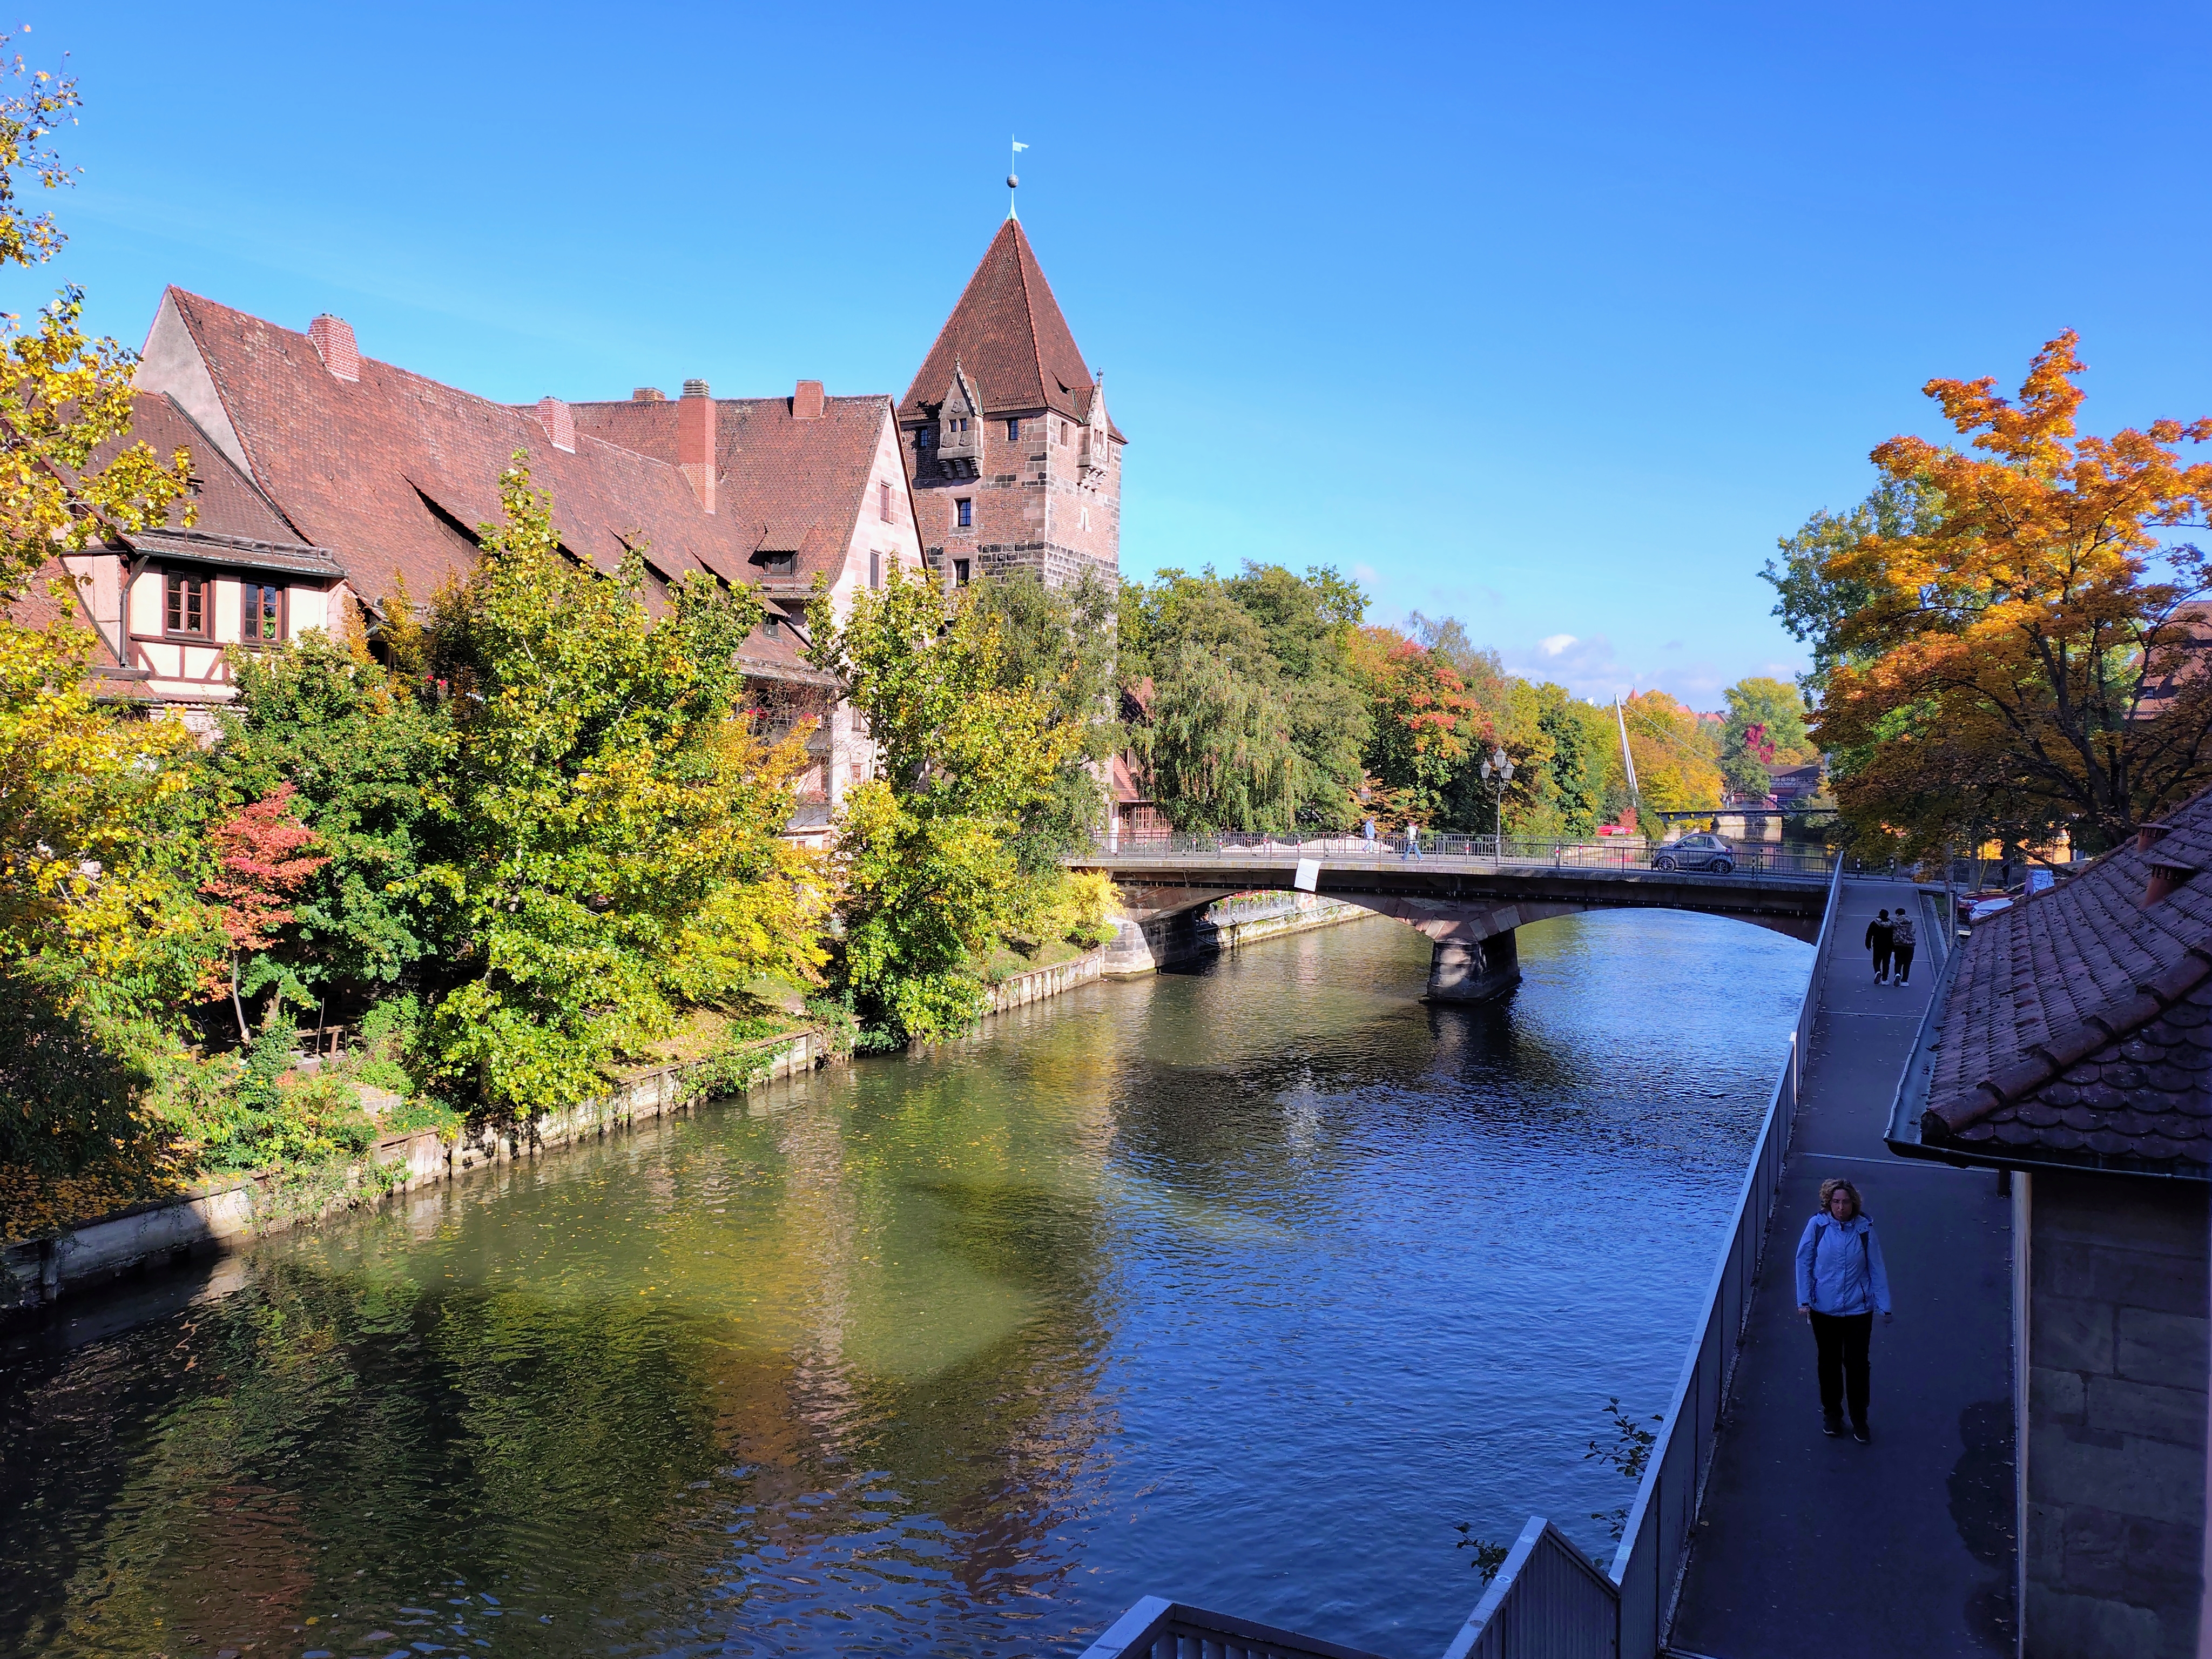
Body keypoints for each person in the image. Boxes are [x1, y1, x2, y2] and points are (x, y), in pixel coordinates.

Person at [1795, 1177, 1893, 1442]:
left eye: (1846, 1202)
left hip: (1858, 1310)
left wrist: (1884, 1306)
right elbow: (1804, 1261)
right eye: (1836, 1202)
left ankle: (1860, 1419)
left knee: (1858, 1365)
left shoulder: (1865, 1230)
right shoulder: (1817, 1226)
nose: (1840, 1207)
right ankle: (1833, 1415)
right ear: (1828, 1203)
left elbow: (1876, 1267)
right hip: (1823, 1310)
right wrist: (1804, 1300)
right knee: (1828, 1364)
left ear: (1854, 1203)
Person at [1864, 908, 1894, 984]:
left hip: (1877, 945)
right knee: (1886, 962)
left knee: (1876, 961)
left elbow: (1869, 934)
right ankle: (1885, 980)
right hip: (1888, 946)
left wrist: (1868, 944)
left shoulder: (1874, 923)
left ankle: (1878, 972)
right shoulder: (1891, 924)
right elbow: (1895, 936)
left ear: (1880, 914)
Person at [1890, 908, 1917, 987]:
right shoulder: (1911, 923)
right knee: (1907, 964)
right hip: (1910, 946)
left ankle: (1897, 974)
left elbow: (1887, 926)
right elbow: (1914, 931)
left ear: (1897, 914)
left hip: (1899, 945)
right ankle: (1905, 981)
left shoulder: (1895, 923)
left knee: (1898, 962)